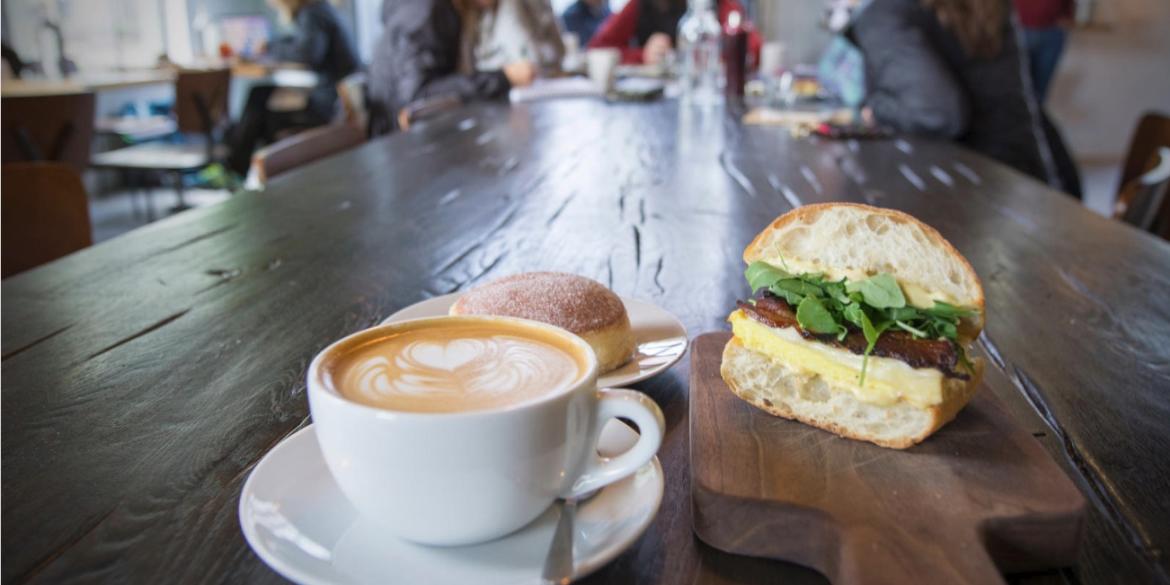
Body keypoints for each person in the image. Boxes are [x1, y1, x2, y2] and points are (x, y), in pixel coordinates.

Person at [848, 0, 1079, 196]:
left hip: (971, 189)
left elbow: (938, 114)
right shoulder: (984, 5)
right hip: (1031, 178)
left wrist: (874, 109)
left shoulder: (885, 13)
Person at [368, 0, 563, 135]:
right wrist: (504, 77)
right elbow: (417, 97)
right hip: (399, 143)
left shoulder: (452, 9)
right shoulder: (426, 8)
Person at [227, 0, 359, 175]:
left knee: (260, 108)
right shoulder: (320, 9)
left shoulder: (312, 13)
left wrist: (271, 48)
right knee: (260, 95)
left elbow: (307, 53)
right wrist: (272, 45)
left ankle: (238, 170)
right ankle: (244, 167)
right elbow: (300, 42)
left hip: (333, 102)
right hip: (339, 95)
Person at [587, 0, 760, 65]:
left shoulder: (718, 4)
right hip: (651, 108)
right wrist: (642, 56)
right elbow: (596, 50)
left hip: (706, 98)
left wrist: (713, 57)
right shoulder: (638, 5)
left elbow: (753, 48)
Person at [1013, 0, 1074, 102]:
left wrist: (1069, 15)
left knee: (1040, 91)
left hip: (1052, 32)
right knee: (1016, 88)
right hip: (1019, 29)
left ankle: (1036, 115)